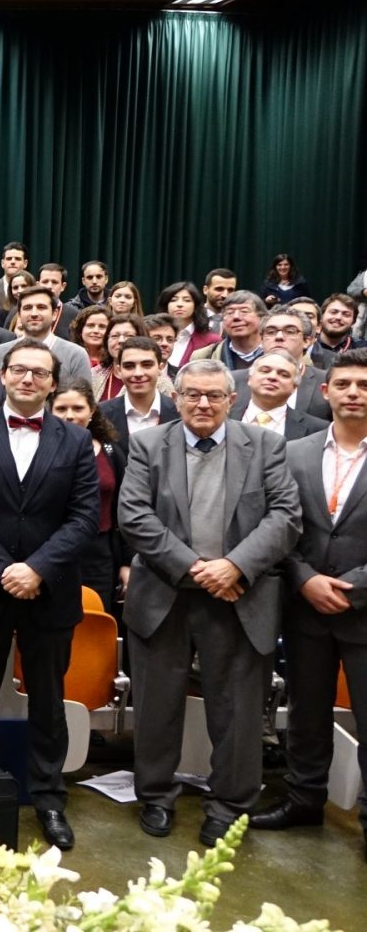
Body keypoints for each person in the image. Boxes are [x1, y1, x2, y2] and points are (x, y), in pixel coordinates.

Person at [121, 355, 302, 845]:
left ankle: (229, 805)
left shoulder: (265, 445)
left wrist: (235, 566)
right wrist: (195, 568)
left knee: (240, 712)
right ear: (175, 398)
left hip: (240, 595)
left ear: (232, 399)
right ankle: (155, 796)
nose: (202, 403)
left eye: (214, 395)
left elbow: (285, 516)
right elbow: (134, 516)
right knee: (157, 707)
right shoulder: (147, 444)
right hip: (164, 595)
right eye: (192, 395)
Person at [0, 339, 99, 852]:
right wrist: (2, 569)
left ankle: (50, 800)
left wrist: (36, 570)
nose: (28, 379)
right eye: (19, 370)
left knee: (50, 704)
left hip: (49, 592)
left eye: (40, 372)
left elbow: (83, 519)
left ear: (54, 382)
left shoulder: (75, 441)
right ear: (2, 376)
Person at [248, 349, 367, 850]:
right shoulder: (295, 452)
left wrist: (354, 585)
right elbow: (279, 526)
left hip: (364, 610)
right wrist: (304, 578)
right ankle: (303, 801)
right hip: (305, 605)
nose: (354, 393)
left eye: (363, 385)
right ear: (324, 391)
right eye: (344, 384)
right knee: (306, 712)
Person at [49, 382, 129, 613]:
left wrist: (126, 562)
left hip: (99, 552)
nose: (70, 416)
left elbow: (123, 509)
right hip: (52, 551)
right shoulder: (38, 450)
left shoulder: (111, 451)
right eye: (61, 409)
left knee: (95, 621)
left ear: (92, 411)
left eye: (78, 408)